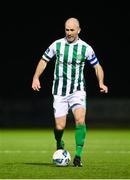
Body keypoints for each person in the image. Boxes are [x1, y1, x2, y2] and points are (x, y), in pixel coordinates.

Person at [32, 17, 108, 167]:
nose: (69, 33)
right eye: (67, 30)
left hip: (78, 90)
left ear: (78, 30)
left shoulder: (86, 48)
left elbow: (97, 66)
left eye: (72, 30)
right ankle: (59, 142)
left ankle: (78, 156)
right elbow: (44, 60)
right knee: (59, 126)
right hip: (59, 91)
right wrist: (36, 77)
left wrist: (101, 82)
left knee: (80, 120)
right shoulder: (57, 44)